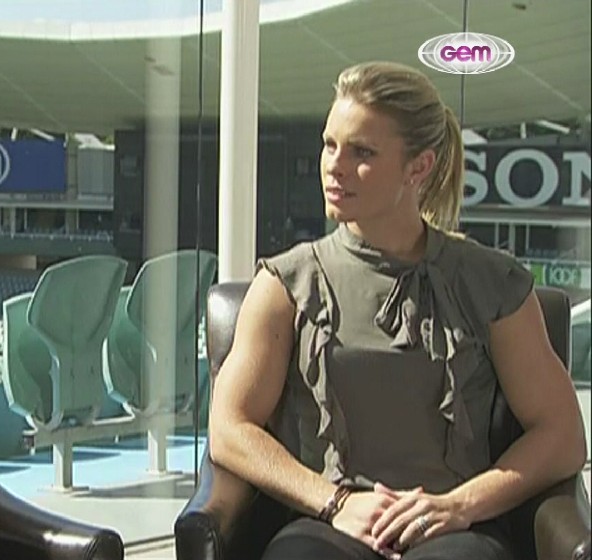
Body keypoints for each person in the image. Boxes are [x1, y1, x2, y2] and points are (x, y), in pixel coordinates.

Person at [209, 61, 587, 560]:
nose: (334, 166)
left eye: (361, 151)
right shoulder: (285, 284)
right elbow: (229, 430)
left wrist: (459, 505)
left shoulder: (493, 282)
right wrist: (336, 502)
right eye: (329, 145)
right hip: (324, 523)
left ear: (419, 167)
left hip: (454, 526)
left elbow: (562, 435)